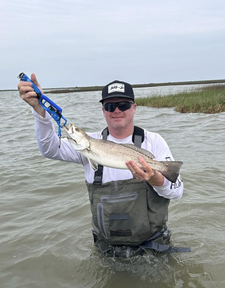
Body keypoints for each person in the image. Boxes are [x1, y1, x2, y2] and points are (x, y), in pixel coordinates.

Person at [18, 74, 184, 258]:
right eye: (110, 106)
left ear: (134, 107)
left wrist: (155, 178)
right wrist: (40, 110)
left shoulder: (153, 141)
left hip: (154, 247)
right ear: (103, 110)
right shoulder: (87, 147)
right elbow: (49, 148)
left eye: (124, 105)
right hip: (108, 251)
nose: (117, 110)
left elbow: (177, 192)